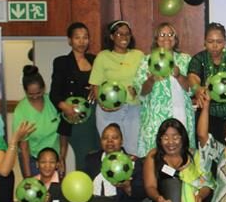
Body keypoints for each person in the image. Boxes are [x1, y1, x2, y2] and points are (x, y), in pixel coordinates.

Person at [134, 22, 195, 156]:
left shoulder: (185, 59)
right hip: (155, 118)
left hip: (181, 115)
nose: (166, 37)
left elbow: (192, 89)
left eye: (170, 34)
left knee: (182, 156)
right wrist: (151, 80)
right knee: (155, 157)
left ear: (175, 39)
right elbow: (141, 92)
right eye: (162, 35)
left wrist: (179, 76)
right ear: (156, 39)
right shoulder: (147, 61)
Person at [88, 20, 144, 154]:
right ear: (112, 36)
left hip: (133, 109)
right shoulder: (103, 57)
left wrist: (138, 90)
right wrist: (102, 104)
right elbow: (95, 85)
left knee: (133, 150)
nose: (124, 37)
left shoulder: (139, 55)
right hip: (109, 111)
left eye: (127, 34)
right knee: (111, 149)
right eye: (119, 34)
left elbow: (145, 80)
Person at [189, 22, 226, 145]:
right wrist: (198, 89)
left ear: (225, 42)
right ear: (204, 42)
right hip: (208, 115)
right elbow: (193, 78)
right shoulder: (198, 59)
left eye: (219, 41)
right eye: (210, 41)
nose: (215, 46)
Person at [51, 21, 100, 173]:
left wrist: (97, 88)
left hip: (97, 116)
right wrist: (65, 107)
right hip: (77, 118)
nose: (82, 41)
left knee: (99, 156)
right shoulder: (62, 62)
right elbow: (54, 93)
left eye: (85, 37)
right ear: (69, 40)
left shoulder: (95, 60)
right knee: (84, 158)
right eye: (77, 37)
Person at [13, 65, 60, 178]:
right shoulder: (21, 110)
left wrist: (62, 157)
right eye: (30, 94)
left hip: (54, 158)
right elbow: (24, 146)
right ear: (25, 91)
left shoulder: (53, 101)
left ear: (44, 88)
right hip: (33, 159)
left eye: (38, 93)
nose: (35, 97)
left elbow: (63, 132)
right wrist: (28, 175)